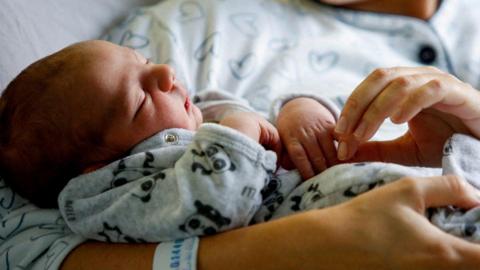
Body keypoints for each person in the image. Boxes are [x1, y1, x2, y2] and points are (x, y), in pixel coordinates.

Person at [2, 0, 480, 269]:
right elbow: (26, 248)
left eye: (151, 67)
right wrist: (301, 245)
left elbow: (216, 106)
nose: (166, 73)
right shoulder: (192, 23)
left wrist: (292, 109)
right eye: (143, 96)